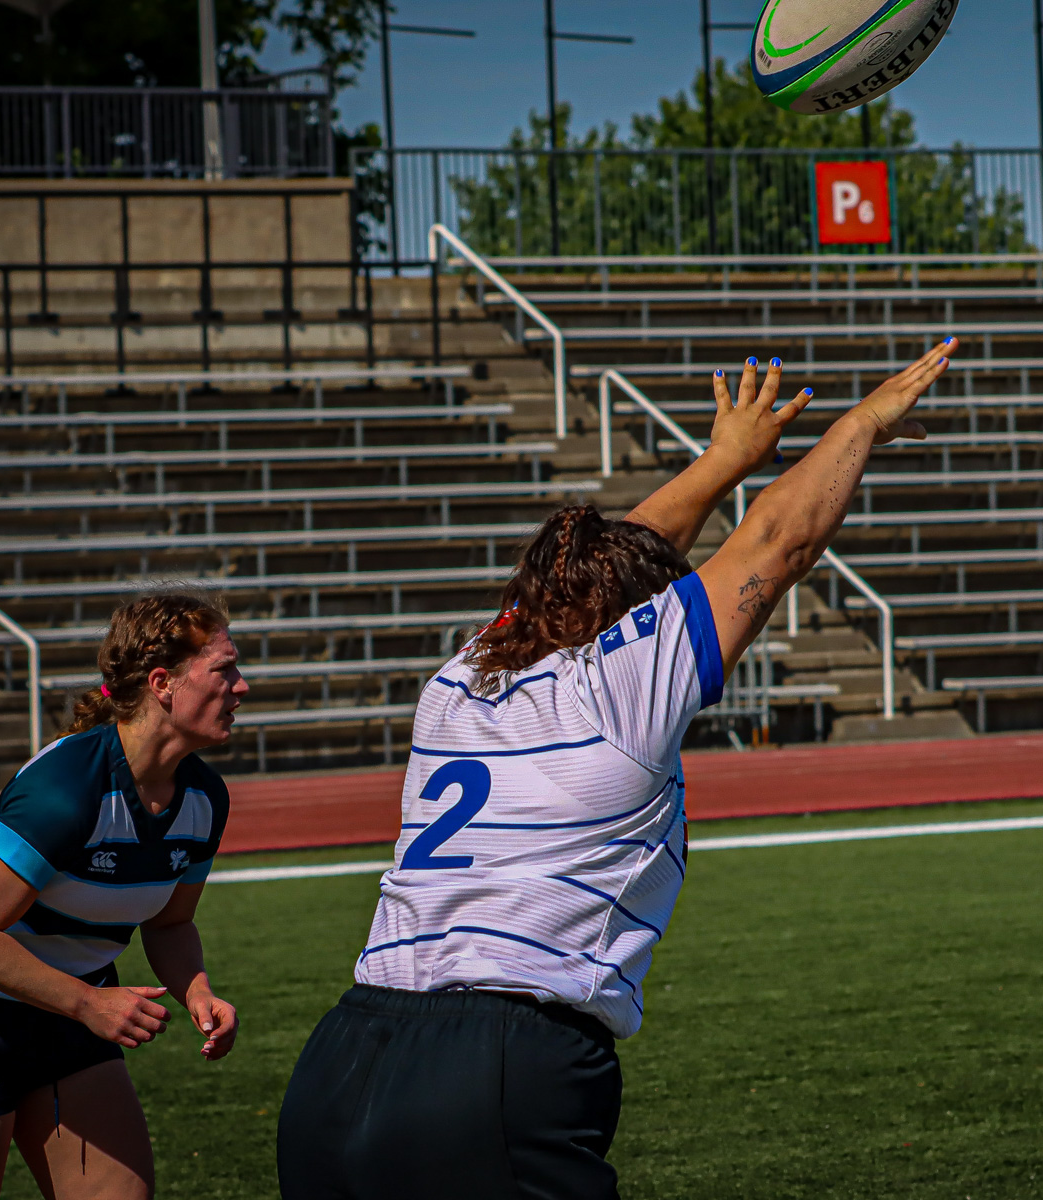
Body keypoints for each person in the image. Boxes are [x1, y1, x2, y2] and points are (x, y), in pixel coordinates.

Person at [276, 341, 955, 1199]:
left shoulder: (459, 678)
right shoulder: (617, 690)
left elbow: (584, 578)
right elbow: (778, 543)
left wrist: (723, 462)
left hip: (341, 1061)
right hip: (495, 1064)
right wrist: (858, 423)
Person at [0, 590, 249, 1200]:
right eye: (224, 669)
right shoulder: (65, 789)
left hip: (74, 1005)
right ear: (163, 682)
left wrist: (199, 991)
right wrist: (87, 1003)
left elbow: (169, 925)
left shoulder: (205, 799)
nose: (241, 687)